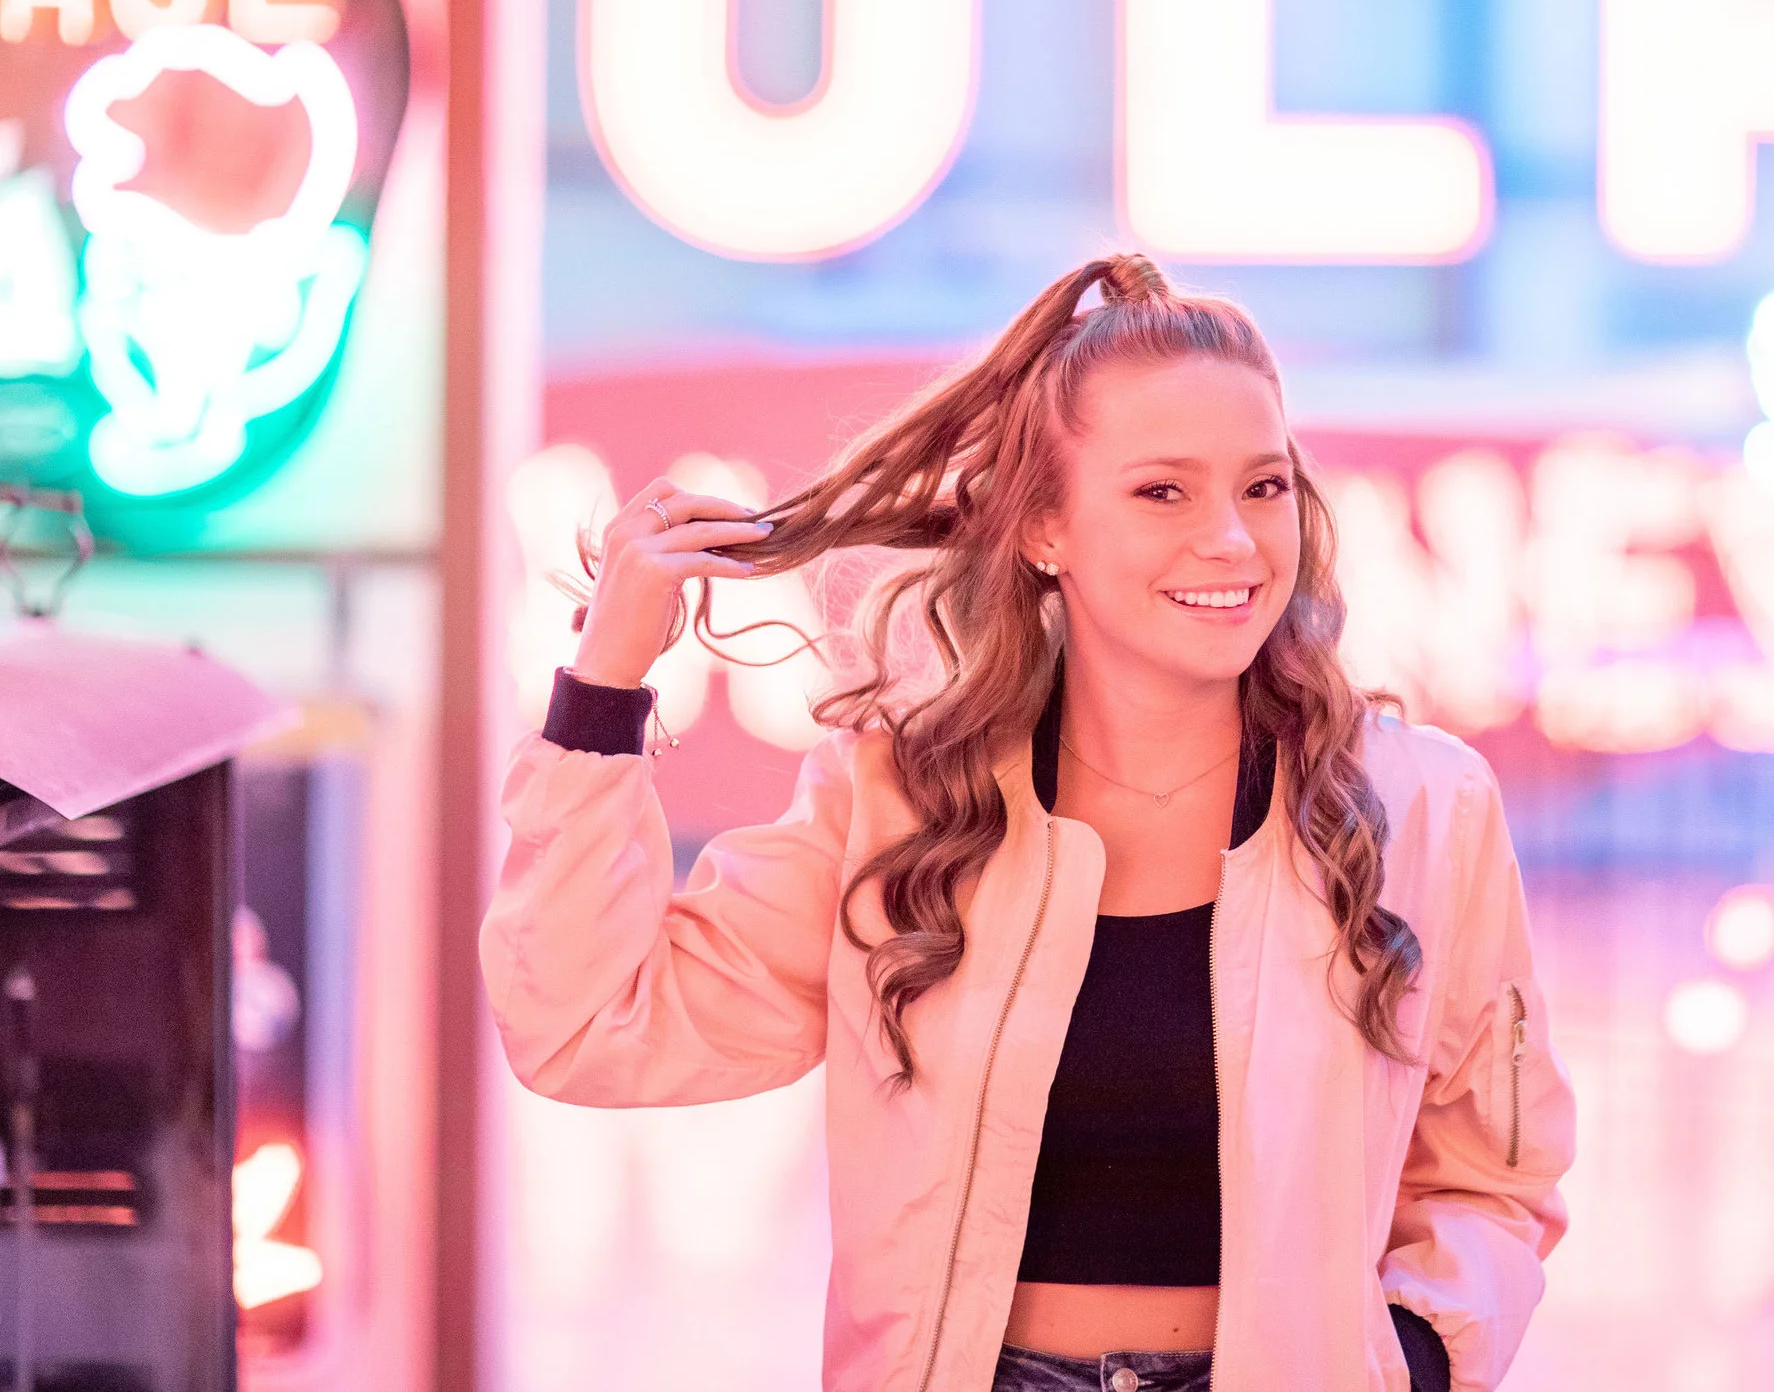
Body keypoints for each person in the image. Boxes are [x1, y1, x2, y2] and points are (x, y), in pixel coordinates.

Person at [482, 254, 1575, 1391]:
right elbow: (589, 1022)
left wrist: (1413, 1360)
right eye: (1164, 490)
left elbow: (1494, 1171)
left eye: (1262, 486)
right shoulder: (900, 807)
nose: (1236, 542)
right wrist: (602, 687)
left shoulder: (1420, 808)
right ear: (1045, 526)